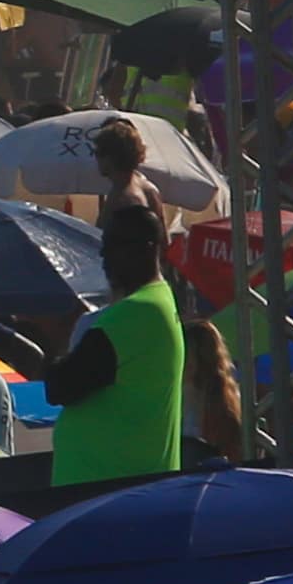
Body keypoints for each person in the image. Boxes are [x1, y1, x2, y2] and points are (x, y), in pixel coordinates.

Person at [37, 199, 188, 489]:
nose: (104, 256)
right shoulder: (154, 303)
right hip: (113, 488)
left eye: (115, 245)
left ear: (148, 248)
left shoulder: (138, 312)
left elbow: (61, 386)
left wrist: (52, 331)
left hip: (111, 491)